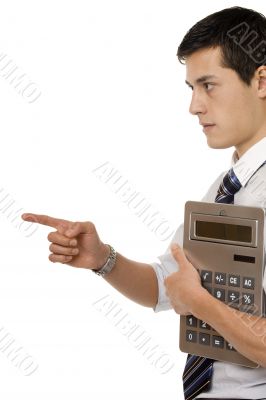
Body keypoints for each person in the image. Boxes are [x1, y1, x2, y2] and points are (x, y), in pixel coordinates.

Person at [21, 6, 266, 400]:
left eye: (209, 85)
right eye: (191, 89)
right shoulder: (225, 187)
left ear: (261, 81)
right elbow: (165, 286)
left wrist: (201, 305)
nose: (194, 106)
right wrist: (103, 258)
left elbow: (192, 298)